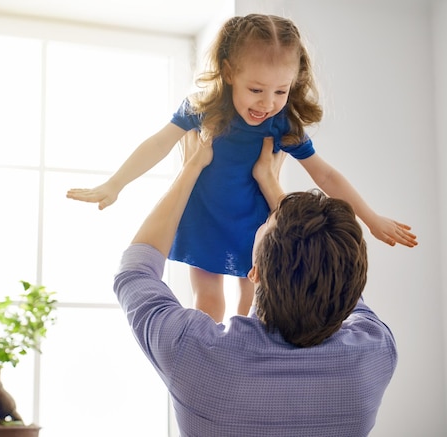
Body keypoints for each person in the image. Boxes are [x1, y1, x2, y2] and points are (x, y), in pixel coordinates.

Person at [69, 14, 417, 323]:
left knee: (254, 302)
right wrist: (115, 184)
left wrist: (371, 219)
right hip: (204, 217)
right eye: (256, 89)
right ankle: (210, 366)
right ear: (228, 72)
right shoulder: (202, 108)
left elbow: (324, 175)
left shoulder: (283, 124)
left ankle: (244, 359)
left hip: (255, 223)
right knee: (206, 302)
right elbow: (159, 143)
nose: (267, 103)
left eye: (281, 91)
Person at [114, 136, 398, 436]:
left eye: (264, 227)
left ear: (255, 273)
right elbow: (339, 271)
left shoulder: (194, 352)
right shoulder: (374, 353)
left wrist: (190, 169)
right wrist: (269, 181)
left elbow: (135, 272)